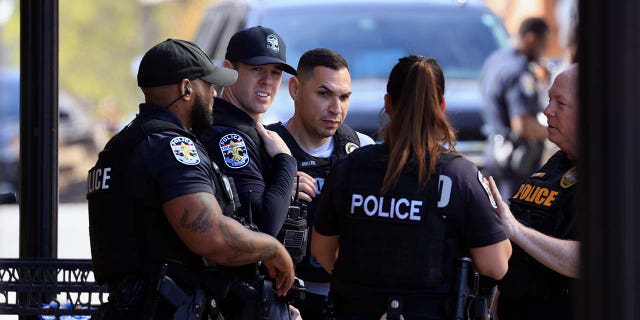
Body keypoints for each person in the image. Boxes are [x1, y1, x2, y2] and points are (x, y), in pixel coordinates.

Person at [86, 39, 295, 319]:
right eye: (208, 84)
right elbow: (211, 236)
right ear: (186, 89)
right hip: (162, 309)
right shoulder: (170, 147)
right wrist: (271, 248)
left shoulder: (122, 145)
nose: (213, 93)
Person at [311, 55, 512, 319]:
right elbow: (495, 266)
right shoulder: (458, 175)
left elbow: (323, 251)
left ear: (388, 103)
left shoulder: (349, 168)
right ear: (441, 106)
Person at [193, 26, 300, 319]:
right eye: (257, 69)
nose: (268, 81)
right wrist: (285, 163)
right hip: (229, 298)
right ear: (229, 70)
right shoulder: (229, 136)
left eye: (276, 72)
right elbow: (264, 224)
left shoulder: (251, 130)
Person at [266, 48, 375, 319]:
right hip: (280, 297)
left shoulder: (363, 150)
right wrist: (278, 190)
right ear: (295, 89)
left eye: (344, 97)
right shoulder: (266, 147)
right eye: (324, 94)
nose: (336, 109)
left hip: (348, 300)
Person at [488, 64, 580, 320]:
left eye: (560, 103)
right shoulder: (557, 162)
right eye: (549, 99)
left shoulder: (611, 178)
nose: (547, 111)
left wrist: (516, 231)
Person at [480, 17, 551, 200]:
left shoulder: (495, 60)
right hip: (514, 159)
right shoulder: (519, 71)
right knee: (514, 219)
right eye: (544, 44)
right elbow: (523, 125)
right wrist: (553, 134)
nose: (545, 51)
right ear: (531, 38)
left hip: (494, 151)